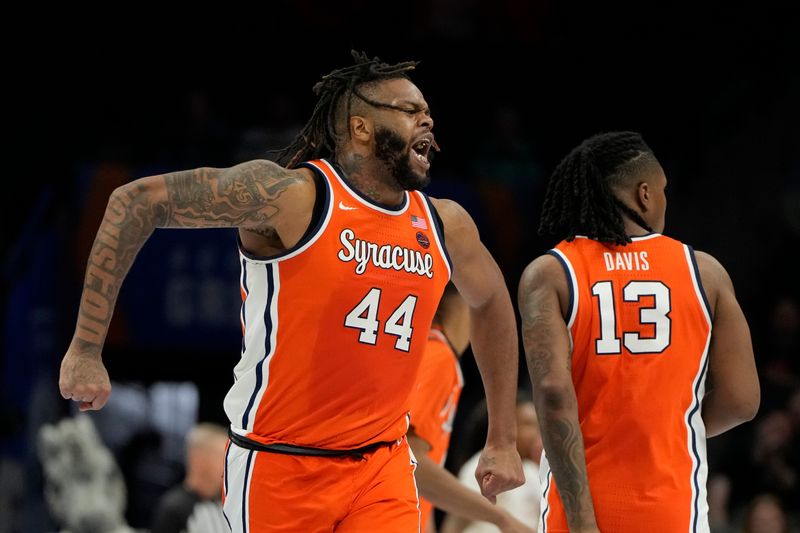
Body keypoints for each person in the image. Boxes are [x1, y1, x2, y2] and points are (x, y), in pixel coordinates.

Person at [58, 50, 524, 532]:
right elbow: (134, 202)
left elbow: (490, 300)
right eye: (409, 110)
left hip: (380, 466)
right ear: (361, 128)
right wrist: (86, 348)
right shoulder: (292, 197)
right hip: (281, 464)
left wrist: (503, 438)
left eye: (428, 111)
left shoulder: (444, 223)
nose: (427, 119)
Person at [518, 131, 760, 532]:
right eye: (663, 190)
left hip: (579, 508)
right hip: (672, 508)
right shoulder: (705, 272)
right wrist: (669, 427)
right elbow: (742, 400)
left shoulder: (551, 273)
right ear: (644, 194)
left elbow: (552, 393)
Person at [407, 283, 534, 533]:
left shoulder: (433, 352)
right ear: (468, 302)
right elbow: (412, 461)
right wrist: (501, 519)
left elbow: (415, 476)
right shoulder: (437, 356)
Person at [439, 393, 542, 533]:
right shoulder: (484, 465)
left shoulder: (533, 471)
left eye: (537, 426)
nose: (535, 433)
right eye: (527, 424)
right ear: (508, 427)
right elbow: (455, 523)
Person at [151, 423, 229, 533]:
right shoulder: (175, 509)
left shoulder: (225, 505)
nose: (227, 466)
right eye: (222, 457)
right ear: (199, 460)